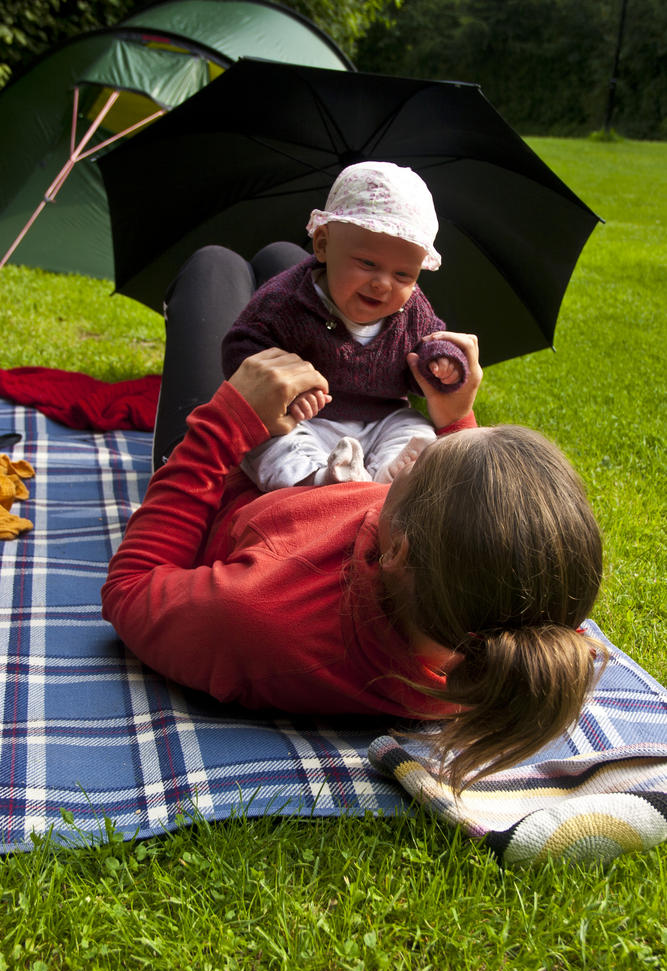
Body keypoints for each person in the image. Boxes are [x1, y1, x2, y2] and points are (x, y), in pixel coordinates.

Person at [102, 338, 605, 794]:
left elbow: (130, 587)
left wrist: (223, 425)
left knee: (216, 267)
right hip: (316, 456)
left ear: (397, 552)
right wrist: (456, 417)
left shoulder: (255, 610)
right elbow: (479, 540)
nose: (428, 442)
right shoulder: (502, 641)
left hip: (221, 474)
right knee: (294, 274)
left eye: (424, 458)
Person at [212, 161, 468, 490]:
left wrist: (440, 362)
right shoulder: (286, 300)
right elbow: (242, 346)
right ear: (323, 244)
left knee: (414, 428)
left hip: (382, 416)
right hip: (306, 418)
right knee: (270, 445)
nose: (383, 284)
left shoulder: (412, 308)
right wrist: (285, 396)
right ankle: (323, 478)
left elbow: (432, 339)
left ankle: (389, 474)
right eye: (368, 264)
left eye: (403, 274)